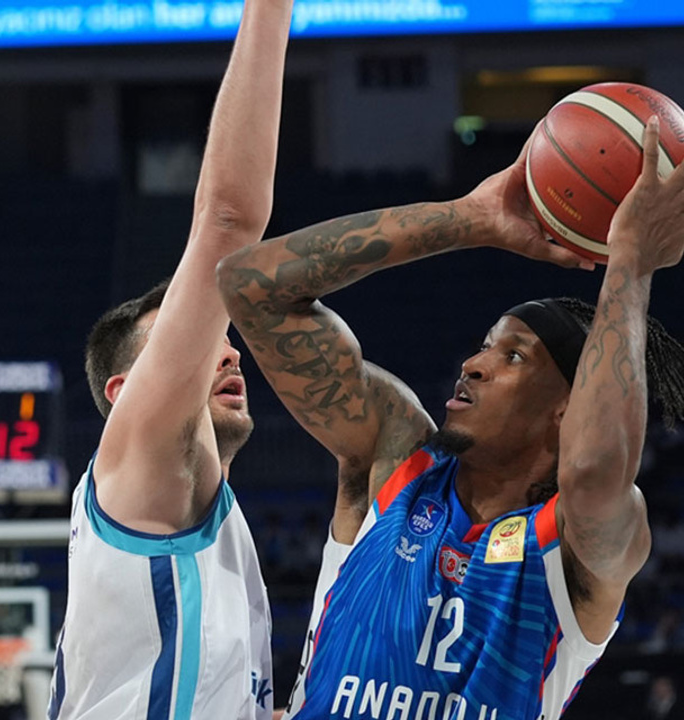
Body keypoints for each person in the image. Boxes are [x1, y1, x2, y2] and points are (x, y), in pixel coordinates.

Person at [217, 117, 684, 718]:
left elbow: (594, 469)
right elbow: (252, 286)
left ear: (567, 406)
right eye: (484, 344)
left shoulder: (577, 542)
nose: (472, 364)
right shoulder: (396, 458)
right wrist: (471, 219)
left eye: (512, 355)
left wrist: (630, 262)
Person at [46, 1, 292, 718]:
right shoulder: (141, 462)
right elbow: (227, 223)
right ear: (127, 393)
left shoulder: (208, 523)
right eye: (187, 347)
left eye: (223, 340)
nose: (227, 351)